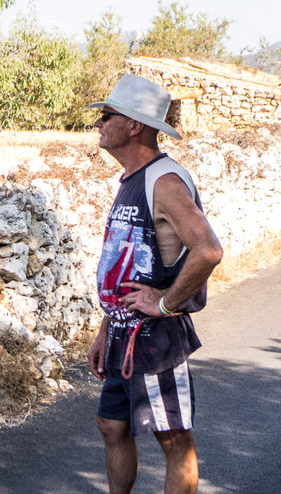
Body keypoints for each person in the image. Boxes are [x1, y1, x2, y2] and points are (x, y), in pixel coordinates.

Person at [85, 74, 224, 494]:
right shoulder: (134, 177)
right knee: (112, 426)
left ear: (134, 125)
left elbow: (208, 250)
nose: (99, 123)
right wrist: (106, 326)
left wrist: (165, 303)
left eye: (107, 115)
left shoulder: (163, 181)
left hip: (155, 337)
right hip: (123, 334)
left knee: (172, 438)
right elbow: (125, 262)